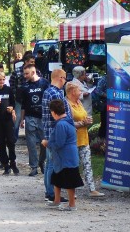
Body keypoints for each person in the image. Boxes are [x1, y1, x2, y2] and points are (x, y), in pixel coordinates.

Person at [65, 81, 105, 198]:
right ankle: (71, 190)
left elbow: (83, 116)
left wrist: (87, 121)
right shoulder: (66, 104)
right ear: (72, 92)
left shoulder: (79, 102)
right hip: (73, 140)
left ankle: (92, 189)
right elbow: (67, 123)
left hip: (84, 138)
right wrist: (83, 123)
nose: (81, 93)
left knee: (87, 164)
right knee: (73, 165)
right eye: (79, 91)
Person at [41, 69, 73, 202]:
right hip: (55, 134)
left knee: (50, 164)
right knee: (53, 165)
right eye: (65, 78)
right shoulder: (55, 94)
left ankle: (50, 192)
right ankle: (52, 194)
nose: (65, 81)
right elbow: (59, 116)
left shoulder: (48, 91)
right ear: (60, 78)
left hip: (49, 132)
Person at [46, 100, 83, 211]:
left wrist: (47, 143)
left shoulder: (61, 124)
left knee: (69, 181)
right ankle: (57, 201)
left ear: (53, 112)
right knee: (57, 178)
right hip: (64, 157)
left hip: (66, 157)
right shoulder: (67, 121)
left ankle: (72, 205)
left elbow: (59, 143)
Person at [20, 63, 49, 176]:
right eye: (24, 74)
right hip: (30, 117)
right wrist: (22, 119)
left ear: (33, 72)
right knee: (31, 143)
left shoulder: (44, 83)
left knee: (44, 142)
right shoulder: (25, 86)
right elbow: (23, 104)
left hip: (43, 117)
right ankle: (33, 167)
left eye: (27, 73)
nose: (25, 76)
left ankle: (42, 161)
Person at [0, 71, 18, 175]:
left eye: (3, 79)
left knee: (11, 141)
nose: (1, 81)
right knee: (0, 143)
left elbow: (13, 103)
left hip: (8, 119)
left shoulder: (8, 89)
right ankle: (5, 164)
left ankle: (13, 162)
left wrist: (11, 108)